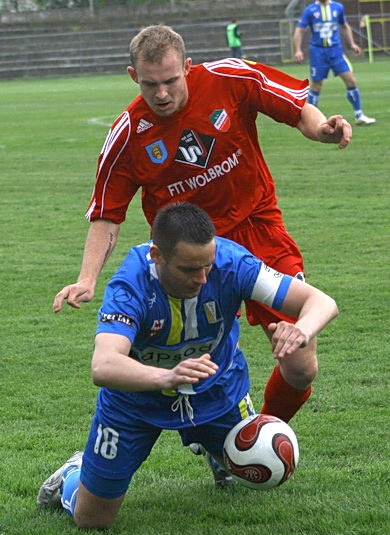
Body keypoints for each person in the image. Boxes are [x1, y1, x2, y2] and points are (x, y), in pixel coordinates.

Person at [53, 24, 351, 426]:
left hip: (257, 228)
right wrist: (87, 279)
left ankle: (254, 438)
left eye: (171, 81)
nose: (161, 94)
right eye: (149, 83)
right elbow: (107, 212)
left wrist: (321, 130)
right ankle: (215, 441)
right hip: (188, 255)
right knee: (194, 365)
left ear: (188, 68)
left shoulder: (231, 78)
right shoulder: (128, 135)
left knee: (300, 367)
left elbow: (297, 110)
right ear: (132, 76)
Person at [39, 203, 338, 529]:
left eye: (207, 266)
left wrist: (301, 329)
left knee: (250, 471)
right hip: (135, 401)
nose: (202, 278)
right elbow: (104, 365)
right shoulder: (130, 285)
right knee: (92, 521)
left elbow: (322, 302)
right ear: (157, 255)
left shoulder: (232, 262)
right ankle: (73, 473)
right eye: (189, 270)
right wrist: (167, 376)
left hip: (217, 390)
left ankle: (218, 450)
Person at [293, 0, 376, 125]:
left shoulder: (338, 7)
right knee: (317, 85)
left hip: (336, 51)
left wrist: (352, 43)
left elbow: (345, 25)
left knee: (351, 80)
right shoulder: (310, 10)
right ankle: (308, 119)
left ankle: (359, 115)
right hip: (318, 52)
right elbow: (299, 30)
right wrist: (298, 50)